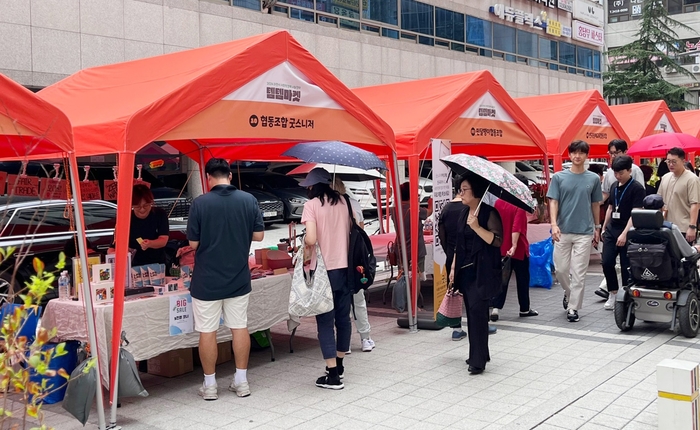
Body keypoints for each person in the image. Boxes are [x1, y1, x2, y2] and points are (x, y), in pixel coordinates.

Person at [187, 158, 264, 401]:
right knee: (239, 326)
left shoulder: (200, 203)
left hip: (206, 280)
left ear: (208, 178)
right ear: (230, 176)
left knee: (207, 331)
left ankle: (209, 386)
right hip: (239, 277)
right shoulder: (248, 200)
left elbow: (193, 244)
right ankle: (241, 381)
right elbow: (259, 236)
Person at [300, 168, 352, 390]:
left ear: (312, 187)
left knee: (324, 321)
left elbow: (311, 238)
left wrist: (305, 242)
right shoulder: (344, 202)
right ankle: (339, 364)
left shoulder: (311, 205)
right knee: (343, 319)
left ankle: (332, 376)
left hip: (323, 270)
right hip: (345, 268)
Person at [449, 174, 503, 375]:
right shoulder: (464, 213)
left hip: (483, 272)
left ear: (476, 191)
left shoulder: (489, 213)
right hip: (466, 271)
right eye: (460, 189)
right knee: (472, 314)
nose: (460, 193)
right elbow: (458, 245)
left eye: (464, 189)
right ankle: (481, 353)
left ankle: (477, 360)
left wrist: (477, 227)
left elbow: (496, 240)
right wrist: (454, 268)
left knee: (478, 315)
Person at [547, 140, 603, 323]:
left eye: (581, 153)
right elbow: (553, 201)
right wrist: (554, 224)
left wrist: (597, 227)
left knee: (579, 273)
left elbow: (595, 204)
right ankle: (569, 293)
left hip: (584, 232)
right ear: (569, 155)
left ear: (587, 155)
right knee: (561, 270)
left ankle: (573, 308)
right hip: (562, 231)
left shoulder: (593, 179)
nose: (577, 156)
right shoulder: (558, 178)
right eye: (574, 153)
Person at [332, 177, 375, 353]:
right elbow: (361, 231)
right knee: (358, 299)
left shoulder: (326, 207)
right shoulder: (353, 205)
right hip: (355, 259)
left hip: (335, 259)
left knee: (340, 302)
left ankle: (345, 342)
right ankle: (365, 338)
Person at [490, 174, 538, 320]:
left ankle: (496, 308)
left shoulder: (498, 203)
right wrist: (514, 245)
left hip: (500, 248)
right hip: (518, 249)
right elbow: (516, 227)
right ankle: (524, 308)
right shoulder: (519, 205)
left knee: (501, 279)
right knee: (522, 279)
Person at [600, 155, 645, 310]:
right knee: (606, 262)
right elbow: (610, 208)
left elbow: (635, 213)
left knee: (627, 266)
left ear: (629, 170)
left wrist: (625, 234)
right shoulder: (614, 186)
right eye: (615, 173)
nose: (618, 176)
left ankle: (626, 295)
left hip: (629, 230)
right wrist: (604, 227)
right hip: (612, 229)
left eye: (621, 173)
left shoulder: (637, 188)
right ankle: (613, 292)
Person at [109, 184, 170, 266]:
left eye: (146, 205)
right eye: (137, 207)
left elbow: (163, 240)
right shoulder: (125, 218)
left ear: (151, 202)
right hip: (132, 265)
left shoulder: (160, 214)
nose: (142, 209)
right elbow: (111, 248)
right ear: (132, 205)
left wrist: (150, 243)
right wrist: (122, 252)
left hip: (157, 264)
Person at [438, 177, 468, 341]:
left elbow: (441, 235)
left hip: (450, 256)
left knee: (454, 291)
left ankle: (456, 328)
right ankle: (478, 324)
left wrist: (449, 252)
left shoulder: (446, 209)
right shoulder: (468, 208)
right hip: (467, 256)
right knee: (470, 292)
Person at [658, 147, 700, 243]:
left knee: (682, 257)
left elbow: (695, 204)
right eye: (668, 161)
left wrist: (692, 226)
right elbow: (659, 199)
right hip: (665, 225)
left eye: (674, 162)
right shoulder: (665, 177)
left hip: (683, 227)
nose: (670, 164)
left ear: (683, 161)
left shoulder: (692, 179)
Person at [391, 182, 428, 275]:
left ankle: (403, 290)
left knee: (402, 276)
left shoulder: (394, 209)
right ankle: (415, 290)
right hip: (416, 250)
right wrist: (431, 203)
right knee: (416, 277)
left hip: (400, 250)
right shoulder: (414, 208)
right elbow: (428, 212)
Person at [601, 139, 644, 204]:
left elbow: (640, 192)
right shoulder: (609, 172)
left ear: (625, 152)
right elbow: (605, 193)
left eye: (616, 152)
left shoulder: (635, 170)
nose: (613, 156)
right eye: (611, 153)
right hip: (614, 208)